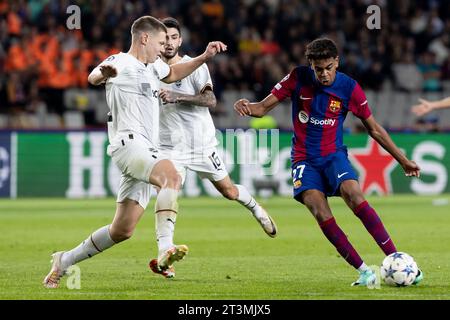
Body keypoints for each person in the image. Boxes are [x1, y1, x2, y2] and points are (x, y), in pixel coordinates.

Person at [43, 15, 227, 288]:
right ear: (145, 38)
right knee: (172, 176)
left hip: (145, 150)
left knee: (122, 230)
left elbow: (175, 73)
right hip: (129, 145)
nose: (164, 48)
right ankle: (166, 247)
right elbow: (94, 75)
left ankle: (64, 260)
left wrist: (204, 57)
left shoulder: (154, 68)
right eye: (161, 42)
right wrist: (104, 74)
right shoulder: (120, 61)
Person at [234, 38, 423, 286]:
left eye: (328, 68)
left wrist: (403, 160)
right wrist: (246, 105)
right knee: (319, 210)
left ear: (337, 62)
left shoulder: (349, 88)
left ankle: (397, 259)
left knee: (354, 195)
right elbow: (261, 109)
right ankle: (364, 271)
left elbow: (374, 129)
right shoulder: (297, 78)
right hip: (303, 159)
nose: (324, 74)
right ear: (310, 65)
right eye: (318, 69)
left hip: (333, 155)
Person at [148, 17, 277, 278]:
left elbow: (210, 99)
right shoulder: (149, 68)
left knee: (229, 191)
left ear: (180, 40)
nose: (170, 43)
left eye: (174, 37)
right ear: (157, 41)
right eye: (165, 38)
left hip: (201, 144)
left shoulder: (195, 66)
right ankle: (165, 252)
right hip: (168, 147)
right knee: (168, 189)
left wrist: (177, 96)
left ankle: (255, 207)